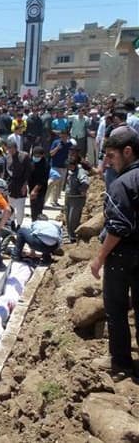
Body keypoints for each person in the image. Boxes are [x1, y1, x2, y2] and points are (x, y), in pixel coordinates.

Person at [89, 126, 139, 377]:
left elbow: (119, 227)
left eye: (110, 155)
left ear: (127, 152)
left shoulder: (122, 184)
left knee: (117, 309)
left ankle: (120, 363)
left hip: (124, 255)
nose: (106, 162)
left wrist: (99, 258)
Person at [5, 138, 32, 228]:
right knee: (10, 205)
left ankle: (19, 224)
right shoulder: (7, 157)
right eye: (8, 148)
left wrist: (25, 185)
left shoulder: (24, 156)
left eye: (12, 148)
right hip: (11, 184)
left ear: (16, 148)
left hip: (21, 183)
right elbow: (6, 173)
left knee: (20, 207)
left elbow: (28, 172)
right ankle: (12, 221)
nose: (10, 150)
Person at [64, 153, 89, 243]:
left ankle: (73, 237)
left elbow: (85, 183)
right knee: (67, 218)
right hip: (69, 197)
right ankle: (70, 234)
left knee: (73, 219)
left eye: (69, 166)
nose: (68, 168)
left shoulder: (80, 172)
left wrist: (81, 190)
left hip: (76, 199)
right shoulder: (71, 171)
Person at [47, 129, 75, 208]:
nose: (63, 137)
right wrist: (57, 148)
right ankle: (50, 199)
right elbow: (51, 154)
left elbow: (71, 155)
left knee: (60, 185)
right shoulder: (56, 142)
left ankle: (55, 201)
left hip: (64, 167)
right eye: (62, 135)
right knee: (53, 182)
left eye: (65, 135)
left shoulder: (70, 144)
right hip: (55, 166)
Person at [28, 146, 50, 221]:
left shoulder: (46, 165)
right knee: (33, 208)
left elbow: (43, 180)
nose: (36, 157)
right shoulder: (31, 161)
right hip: (31, 188)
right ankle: (33, 223)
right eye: (34, 155)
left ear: (42, 155)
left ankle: (38, 224)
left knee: (38, 209)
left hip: (40, 190)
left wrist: (35, 190)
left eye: (38, 156)